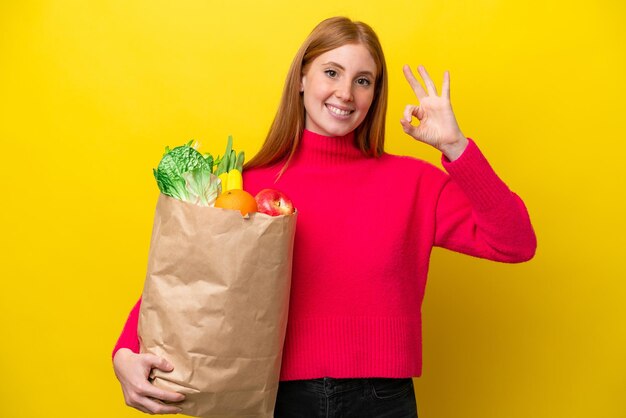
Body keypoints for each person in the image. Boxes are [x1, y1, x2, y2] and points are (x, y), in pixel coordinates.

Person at [112, 16, 536, 417]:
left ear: (375, 95)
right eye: (331, 72)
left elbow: (515, 243)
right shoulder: (247, 186)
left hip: (381, 399)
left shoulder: (415, 183)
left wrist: (456, 146)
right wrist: (125, 351)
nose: (346, 93)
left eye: (363, 81)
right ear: (301, 78)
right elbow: (189, 277)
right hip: (271, 394)